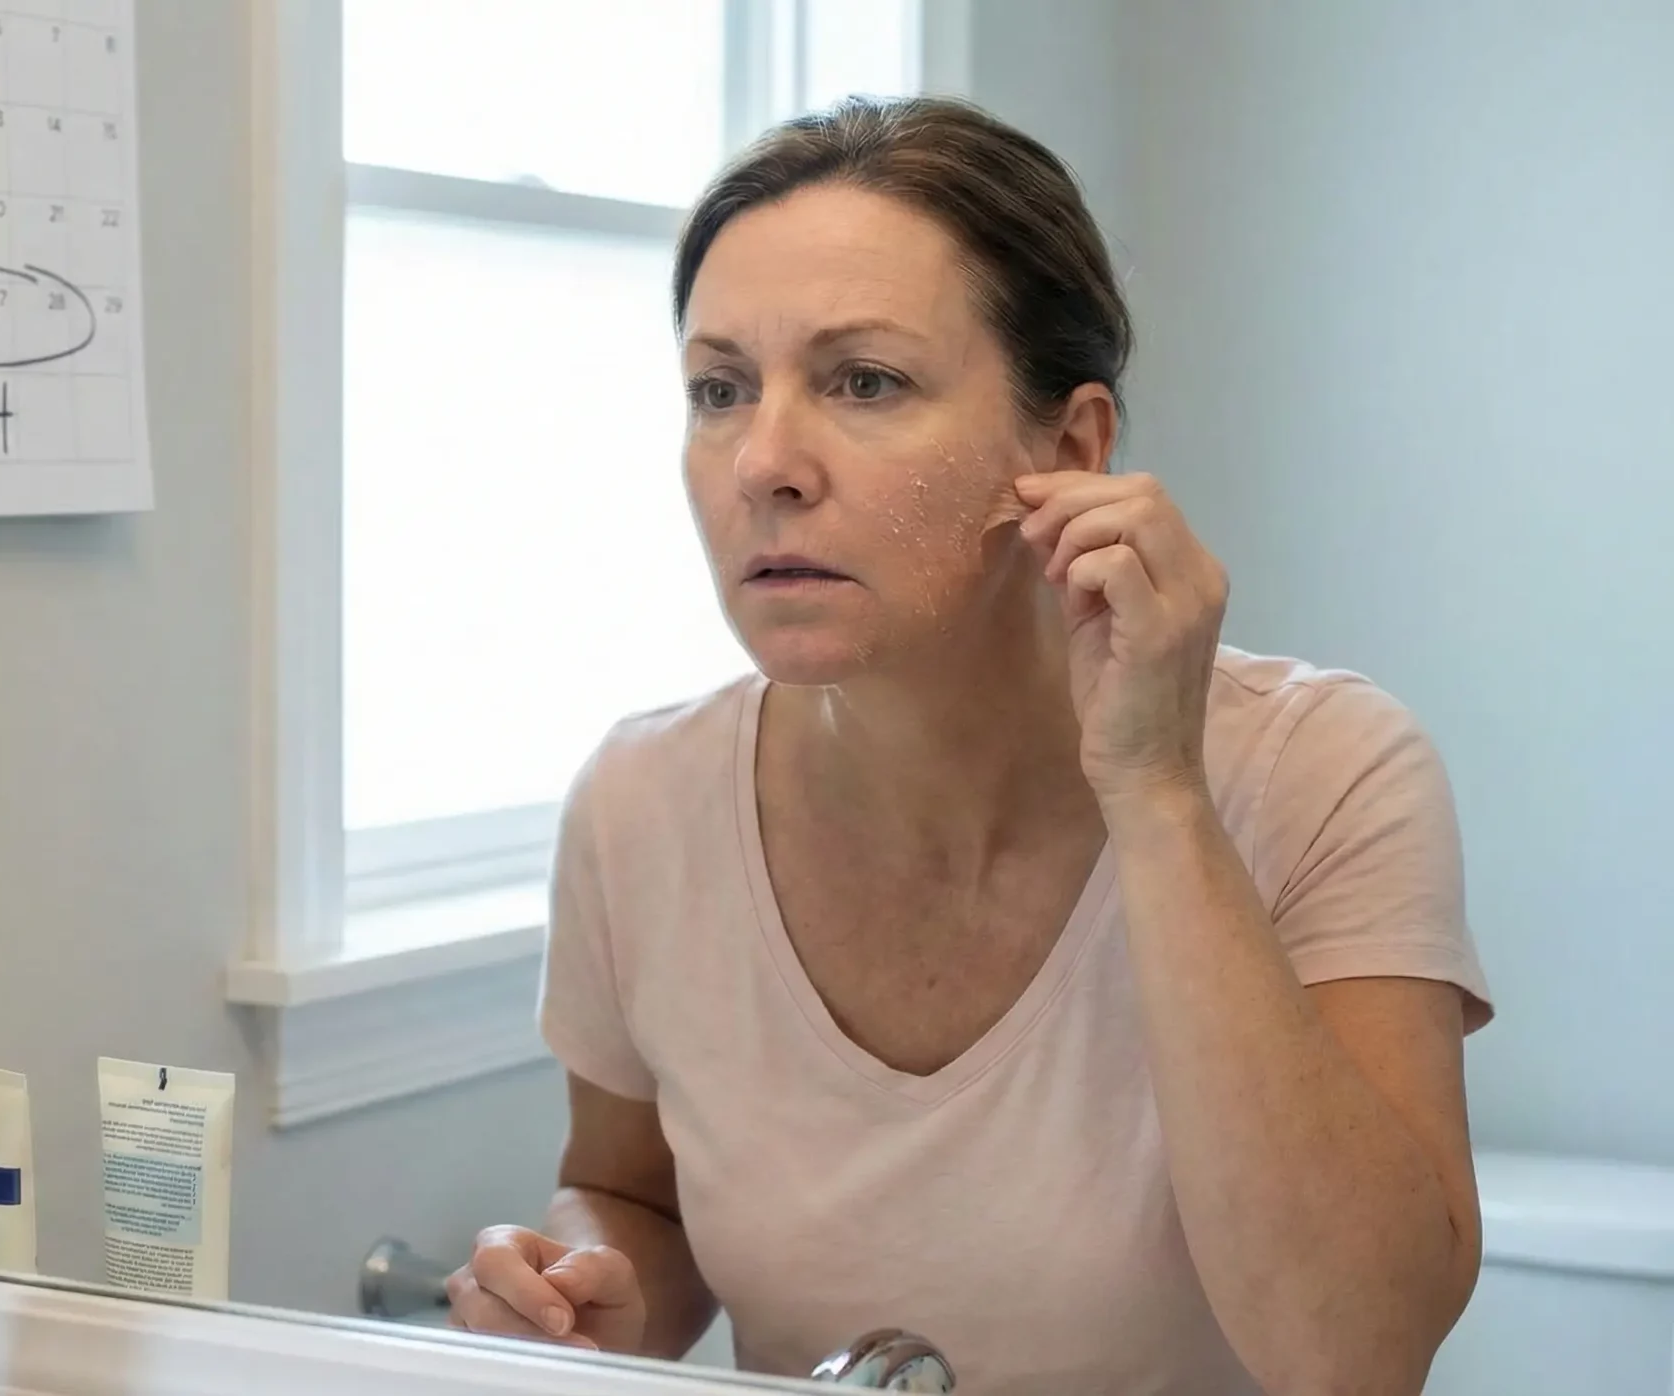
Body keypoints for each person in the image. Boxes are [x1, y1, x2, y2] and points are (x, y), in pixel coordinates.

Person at [446, 97, 1491, 1395]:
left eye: (864, 380)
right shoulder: (640, 802)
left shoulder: (1329, 772)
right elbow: (628, 1197)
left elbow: (1359, 1353)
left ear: (1070, 450)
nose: (763, 460)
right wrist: (591, 1287)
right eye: (719, 389)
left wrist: (1157, 792)